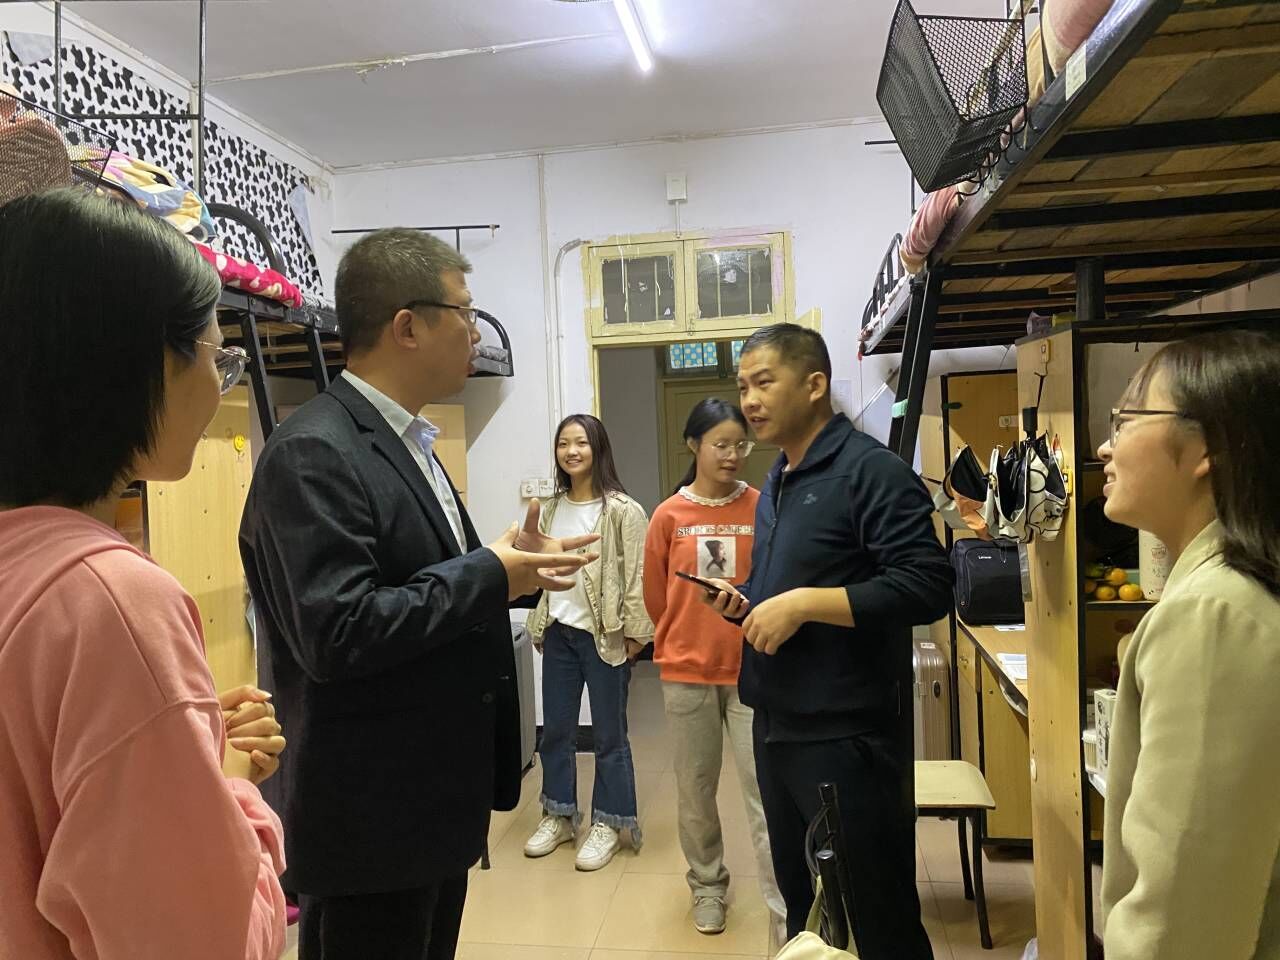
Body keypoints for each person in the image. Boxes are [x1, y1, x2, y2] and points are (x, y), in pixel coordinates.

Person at [238, 228, 597, 960]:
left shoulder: (410, 442)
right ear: (407, 326)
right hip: (370, 822)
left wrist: (509, 572)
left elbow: (420, 586)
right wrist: (490, 572)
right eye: (464, 312)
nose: (476, 331)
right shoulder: (313, 451)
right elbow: (339, 631)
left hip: (426, 806)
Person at [0, 189, 288, 958]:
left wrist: (171, 741)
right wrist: (230, 786)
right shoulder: (112, 602)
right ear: (148, 365)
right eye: (217, 356)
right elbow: (213, 942)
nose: (220, 385)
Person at [707, 323, 952, 959]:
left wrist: (803, 605)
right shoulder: (781, 477)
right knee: (810, 914)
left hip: (846, 737)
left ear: (815, 384)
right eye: (743, 387)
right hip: (778, 725)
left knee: (875, 915)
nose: (750, 400)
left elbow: (928, 585)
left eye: (764, 382)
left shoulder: (870, 471)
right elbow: (793, 582)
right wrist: (751, 603)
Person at [1096, 330, 1280, 960]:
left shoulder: (1213, 614)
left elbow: (1178, 920)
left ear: (1205, 448)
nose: (1106, 446)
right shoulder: (1230, 592)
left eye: (1126, 419)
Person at [643, 398, 787, 940]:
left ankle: (784, 905)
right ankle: (707, 886)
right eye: (720, 444)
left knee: (765, 792)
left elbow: (775, 583)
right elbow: (656, 598)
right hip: (687, 672)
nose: (732, 455)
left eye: (740, 444)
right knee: (695, 790)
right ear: (694, 445)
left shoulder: (762, 506)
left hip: (754, 669)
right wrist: (684, 633)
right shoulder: (668, 515)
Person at [522, 414, 654, 872]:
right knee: (557, 732)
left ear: (598, 449)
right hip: (559, 633)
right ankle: (558, 815)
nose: (571, 451)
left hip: (605, 636)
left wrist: (636, 635)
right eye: (564, 443)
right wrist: (541, 622)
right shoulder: (550, 508)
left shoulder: (623, 510)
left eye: (580, 442)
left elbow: (637, 575)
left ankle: (609, 822)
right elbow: (537, 568)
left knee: (609, 737)